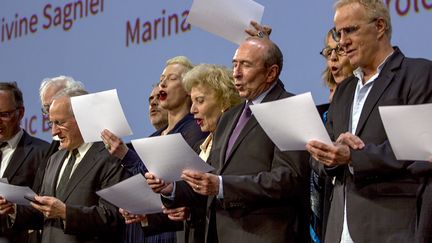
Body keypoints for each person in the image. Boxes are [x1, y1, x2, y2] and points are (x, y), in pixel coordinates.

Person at [148, 37, 311, 242]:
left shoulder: (289, 107)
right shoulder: (229, 117)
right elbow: (210, 177)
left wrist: (223, 186)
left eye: (246, 65)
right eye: (235, 64)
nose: (236, 72)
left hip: (264, 235)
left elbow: (289, 179)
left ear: (271, 73)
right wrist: (171, 188)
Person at [306, 0, 432, 242]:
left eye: (350, 30)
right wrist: (329, 157)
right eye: (338, 33)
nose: (342, 42)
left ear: (380, 26)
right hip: (338, 230)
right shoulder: (343, 90)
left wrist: (354, 156)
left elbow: (418, 152)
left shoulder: (417, 75)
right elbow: (321, 161)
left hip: (390, 228)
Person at [102, 56, 208, 243]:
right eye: (161, 80)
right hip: (149, 230)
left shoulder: (195, 131)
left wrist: (126, 155)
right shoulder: (153, 138)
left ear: (188, 89)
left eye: (172, 78)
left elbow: (174, 186)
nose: (163, 84)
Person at [7, 87, 128, 243]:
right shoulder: (54, 159)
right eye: (51, 123)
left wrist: (66, 213)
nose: (53, 132)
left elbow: (113, 218)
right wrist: (14, 210)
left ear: (83, 119)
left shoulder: (111, 158)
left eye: (60, 123)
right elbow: (45, 213)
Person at [310, 28, 355, 243]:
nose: (334, 57)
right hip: (330, 207)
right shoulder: (325, 111)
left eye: (340, 50)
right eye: (329, 51)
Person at [0, 82, 49, 243]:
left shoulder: (43, 152)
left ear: (20, 113)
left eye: (4, 114)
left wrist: (13, 210)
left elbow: (50, 209)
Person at [34, 75, 85, 192]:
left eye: (55, 103)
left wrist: (65, 211)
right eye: (46, 108)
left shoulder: (105, 153)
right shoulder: (53, 157)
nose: (50, 112)